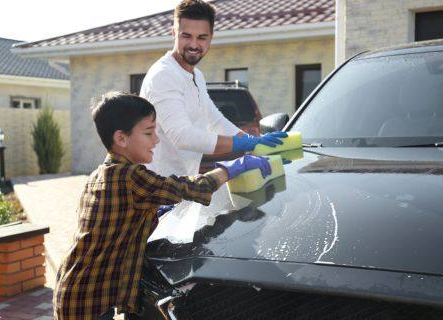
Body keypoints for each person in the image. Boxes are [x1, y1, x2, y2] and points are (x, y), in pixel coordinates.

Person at [52, 92, 271, 320]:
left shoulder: (101, 173)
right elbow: (189, 188)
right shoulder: (130, 176)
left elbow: (114, 218)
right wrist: (233, 167)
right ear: (122, 139)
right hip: (87, 302)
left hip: (74, 288)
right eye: (148, 132)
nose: (156, 140)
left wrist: (152, 211)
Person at [140, 0, 287, 178]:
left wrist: (253, 142)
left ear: (211, 37)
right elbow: (182, 136)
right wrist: (240, 144)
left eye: (202, 37)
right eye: (186, 36)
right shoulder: (164, 75)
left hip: (182, 186)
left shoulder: (197, 76)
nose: (194, 45)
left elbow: (215, 121)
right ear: (173, 33)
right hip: (156, 190)